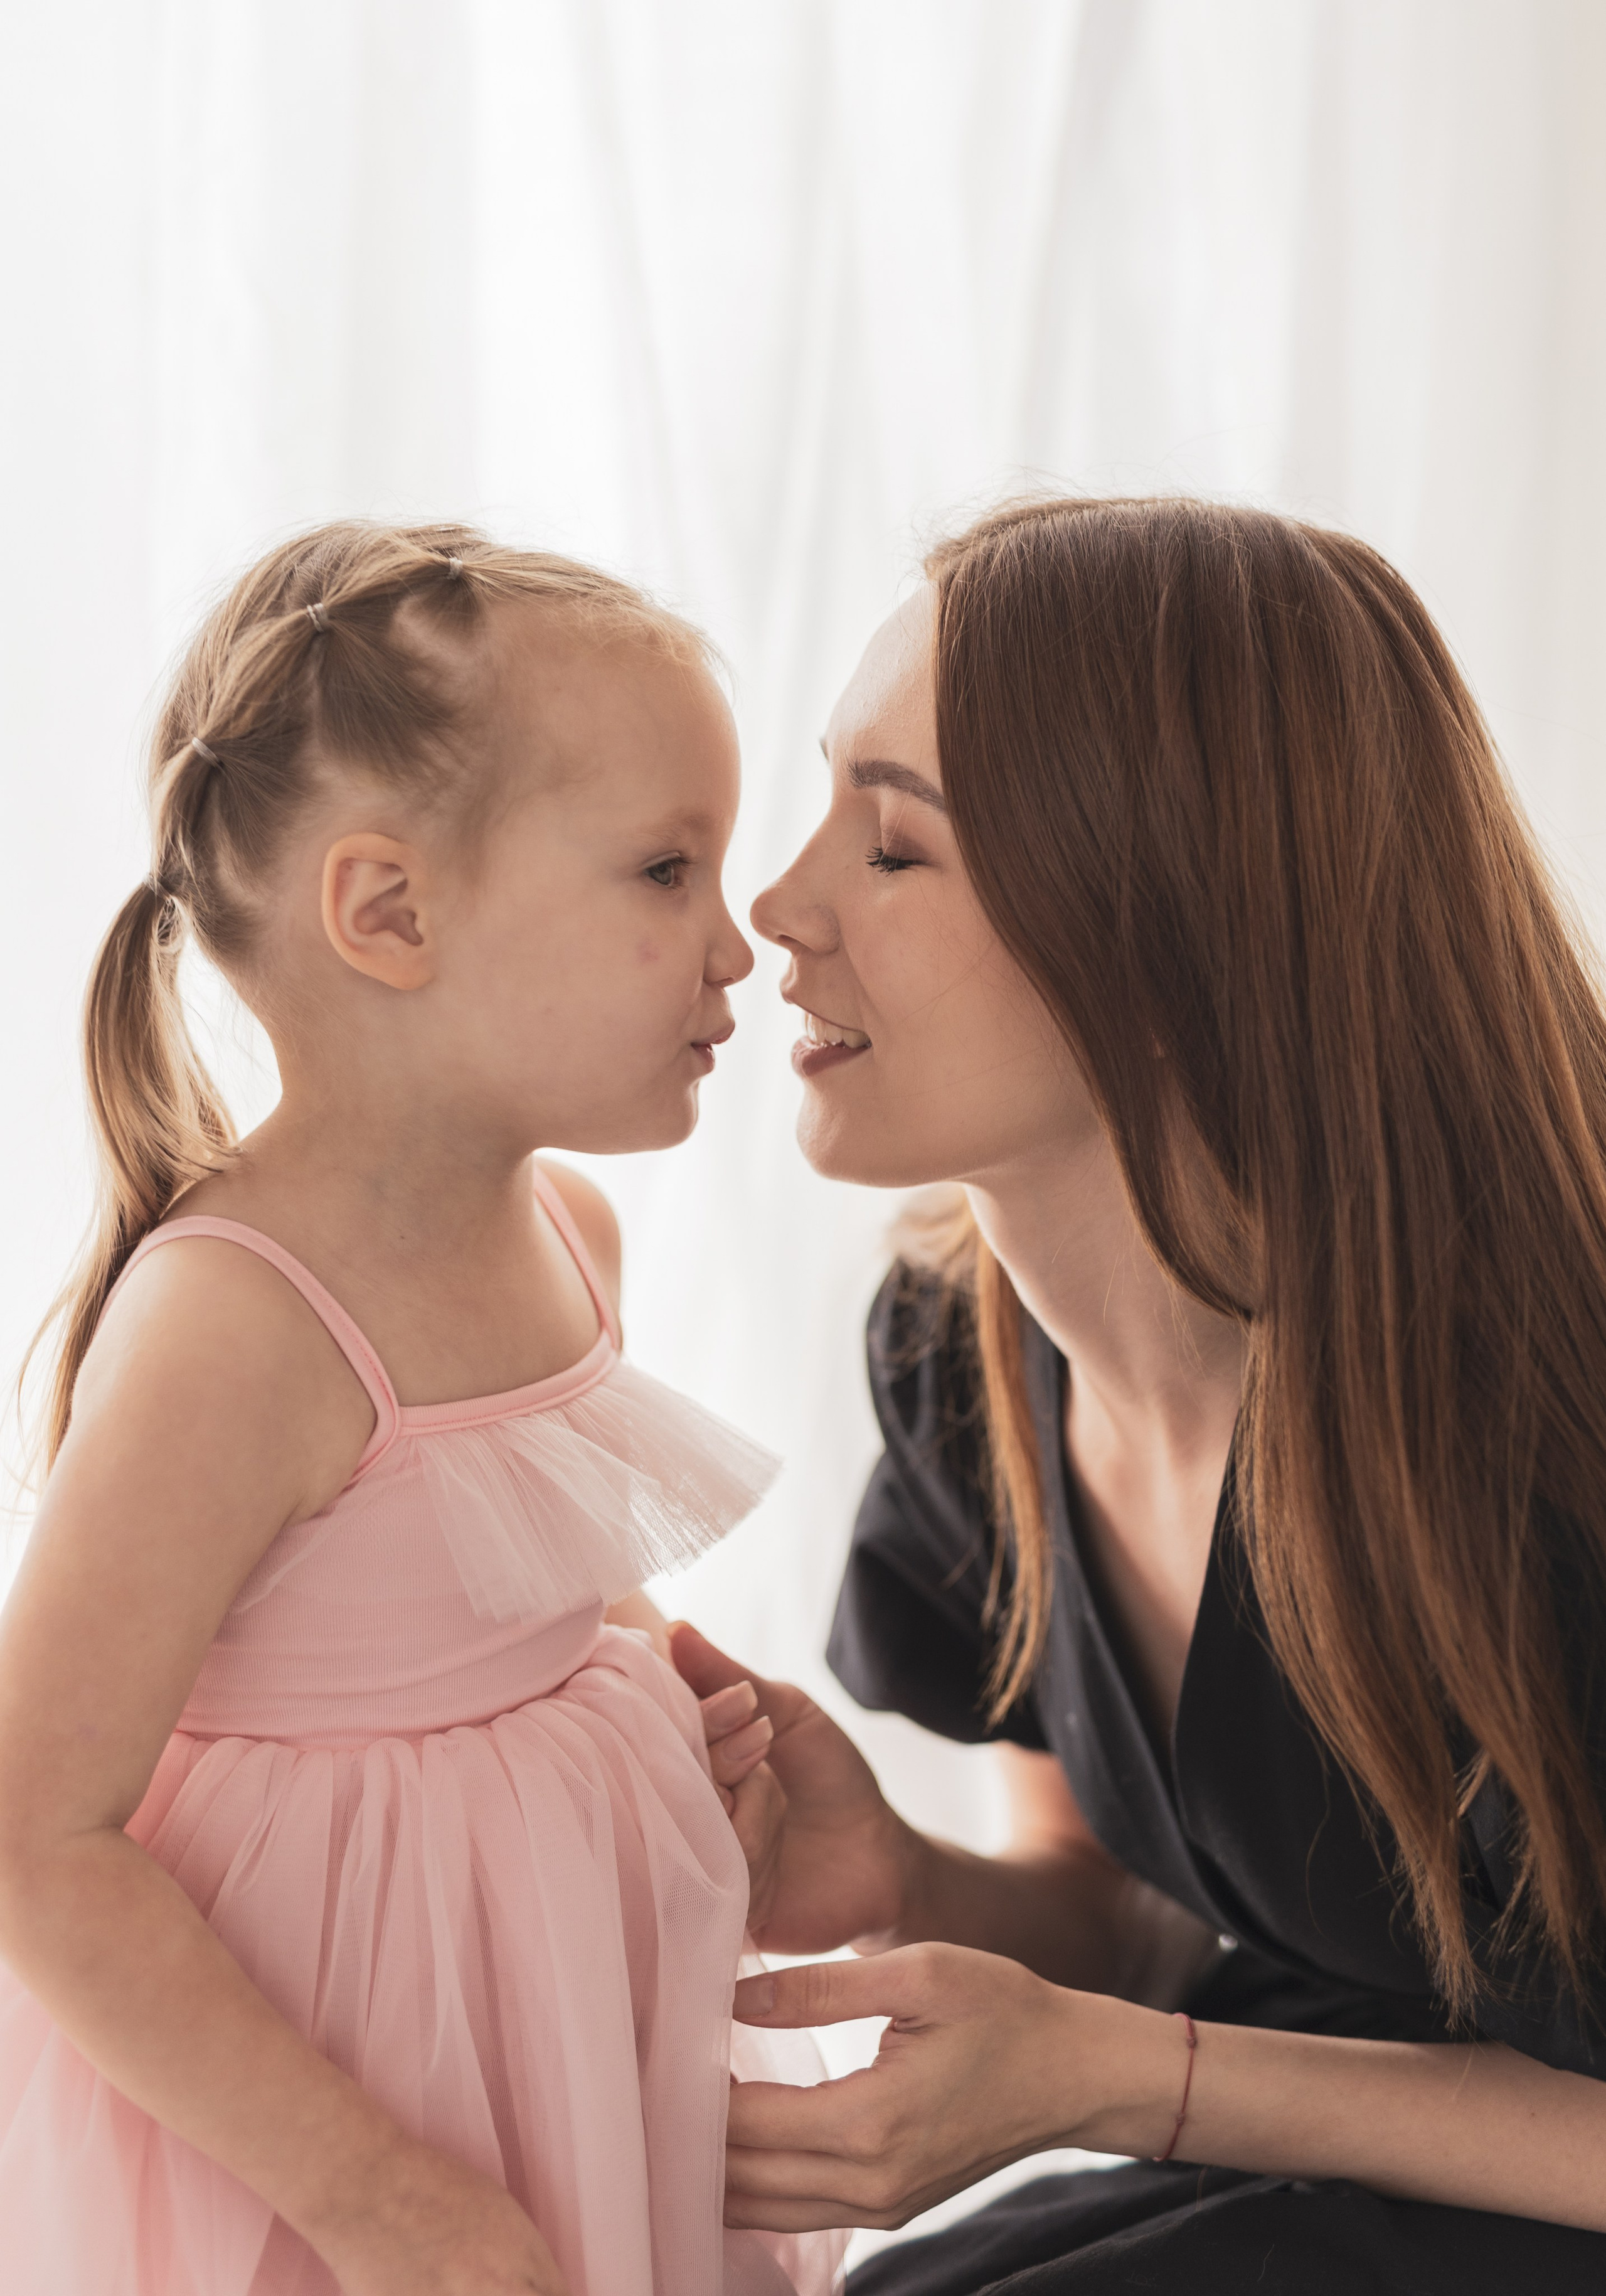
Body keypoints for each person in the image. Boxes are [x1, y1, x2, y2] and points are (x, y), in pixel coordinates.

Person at [680, 496, 1606, 2292]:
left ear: (1170, 934)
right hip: (1323, 2170)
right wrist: (910, 1885)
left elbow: (1160, 2038)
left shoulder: (1542, 1435)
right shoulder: (962, 1364)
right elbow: (1151, 1930)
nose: (776, 908)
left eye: (894, 847)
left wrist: (1126, 2082)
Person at [0, 523, 844, 2296]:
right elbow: (32, 1833)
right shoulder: (239, 1330)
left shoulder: (572, 1233)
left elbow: (507, 1584)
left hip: (551, 2038)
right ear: (389, 913)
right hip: (325, 2121)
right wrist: (377, 2196)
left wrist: (665, 1726)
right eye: (666, 870)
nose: (737, 944)